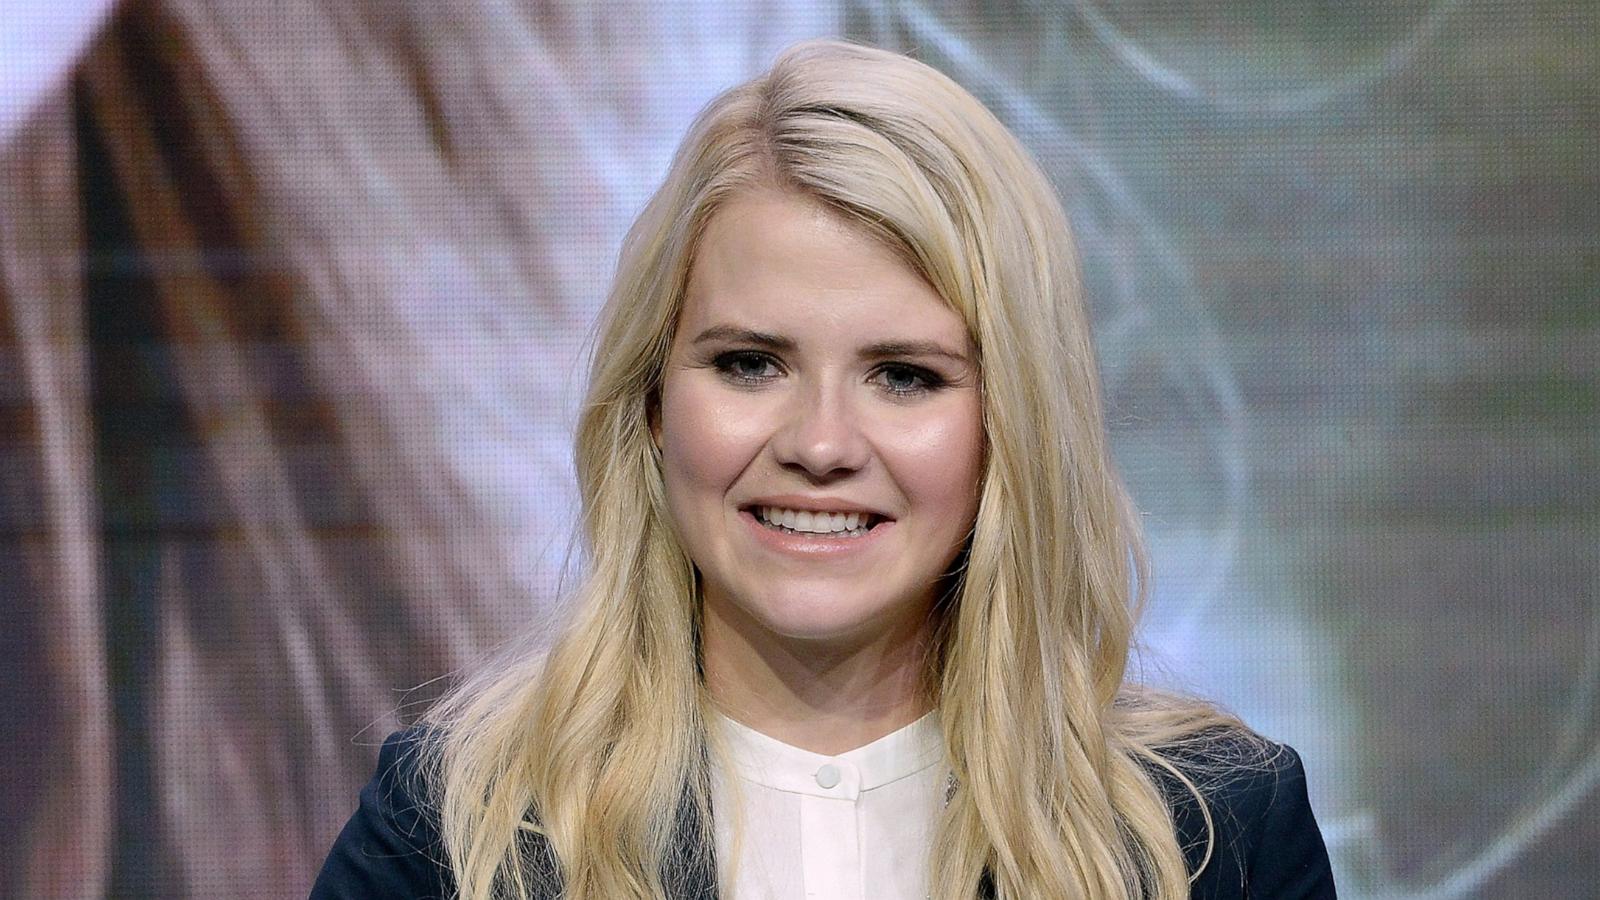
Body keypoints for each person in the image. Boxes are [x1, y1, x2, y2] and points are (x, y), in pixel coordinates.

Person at [311, 39, 1335, 900]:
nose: (821, 443)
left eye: (903, 376)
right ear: (655, 403)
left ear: (1012, 423)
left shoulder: (1215, 836)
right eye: (749, 364)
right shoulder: (454, 833)